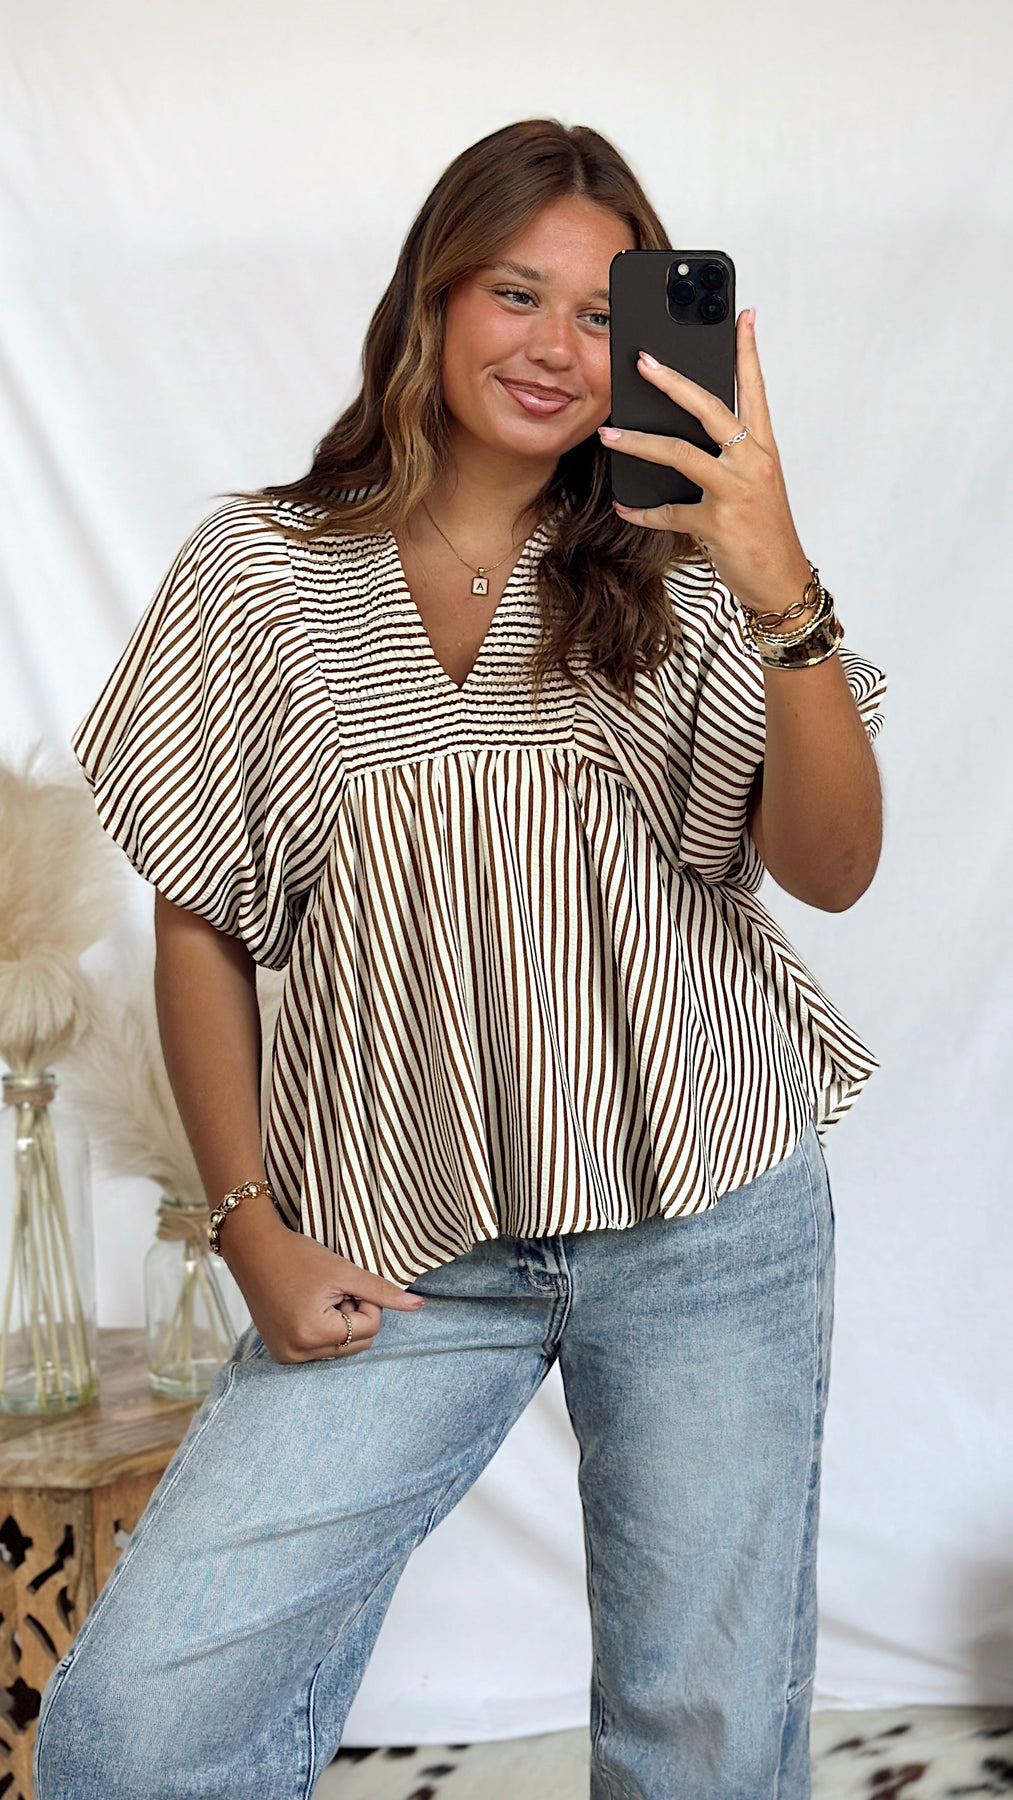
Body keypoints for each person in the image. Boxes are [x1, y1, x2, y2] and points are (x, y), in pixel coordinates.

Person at [35, 119, 884, 1800]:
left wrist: (777, 578)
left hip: (703, 1208)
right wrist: (249, 1229)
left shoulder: (688, 569)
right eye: (515, 292)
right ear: (432, 294)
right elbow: (202, 919)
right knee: (135, 1732)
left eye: (600, 313)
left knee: (701, 1747)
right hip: (398, 1229)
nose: (556, 347)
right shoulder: (261, 573)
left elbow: (833, 870)